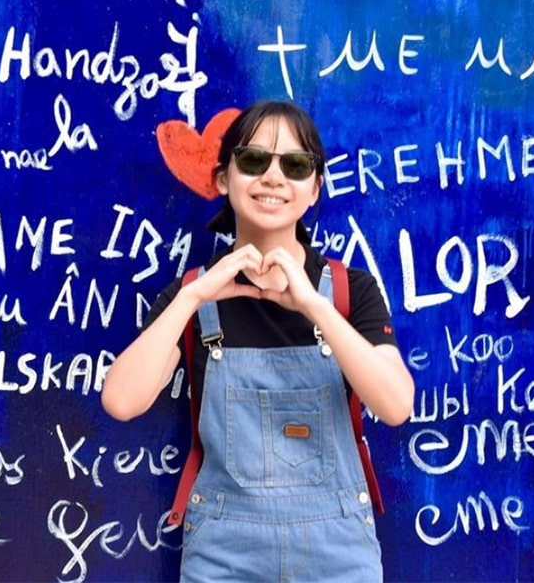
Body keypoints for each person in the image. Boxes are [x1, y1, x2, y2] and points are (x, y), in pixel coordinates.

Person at [101, 100, 415, 582]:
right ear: (224, 178)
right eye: (252, 161)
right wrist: (194, 296)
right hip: (224, 556)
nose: (272, 177)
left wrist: (314, 305)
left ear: (315, 188)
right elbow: (121, 400)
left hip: (339, 555)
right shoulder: (194, 293)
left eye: (294, 165)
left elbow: (395, 405)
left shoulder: (352, 291)